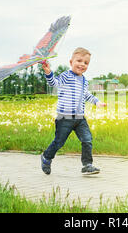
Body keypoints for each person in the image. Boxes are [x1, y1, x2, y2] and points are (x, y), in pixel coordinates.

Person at [41, 47, 107, 175]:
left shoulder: (84, 80)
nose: (82, 64)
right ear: (71, 62)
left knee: (87, 139)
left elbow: (86, 95)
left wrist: (97, 102)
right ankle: (46, 157)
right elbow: (54, 83)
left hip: (80, 118)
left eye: (86, 63)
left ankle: (87, 165)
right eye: (79, 61)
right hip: (64, 118)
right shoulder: (65, 76)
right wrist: (48, 73)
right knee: (59, 142)